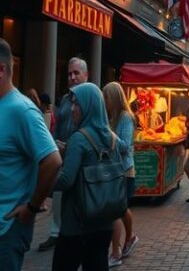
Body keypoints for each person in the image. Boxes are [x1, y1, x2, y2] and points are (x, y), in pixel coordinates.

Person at [51, 82, 127, 271]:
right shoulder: (111, 138)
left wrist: (44, 183)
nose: (72, 109)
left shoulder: (79, 138)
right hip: (104, 222)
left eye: (77, 104)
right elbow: (123, 153)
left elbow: (66, 179)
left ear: (88, 106)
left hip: (76, 224)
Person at [0, 38, 61, 271]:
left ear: (2, 70)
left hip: (6, 230)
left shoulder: (21, 109)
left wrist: (32, 208)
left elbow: (52, 161)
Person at [39, 56, 89, 252]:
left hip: (81, 160)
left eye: (76, 73)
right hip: (63, 157)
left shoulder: (91, 98)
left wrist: (72, 147)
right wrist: (54, 143)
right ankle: (55, 233)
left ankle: (74, 233)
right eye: (69, 74)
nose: (73, 77)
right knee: (59, 199)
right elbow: (58, 126)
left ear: (86, 75)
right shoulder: (65, 100)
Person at [102, 82, 138, 268]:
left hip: (124, 171)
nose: (104, 101)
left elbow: (124, 146)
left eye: (106, 98)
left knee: (115, 211)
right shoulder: (110, 117)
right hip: (114, 170)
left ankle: (115, 253)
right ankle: (130, 237)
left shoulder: (125, 118)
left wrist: (108, 134)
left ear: (114, 98)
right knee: (120, 210)